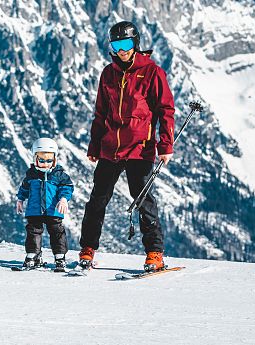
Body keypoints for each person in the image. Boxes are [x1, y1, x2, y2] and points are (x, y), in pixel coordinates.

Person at [78, 21, 176, 272]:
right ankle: (87, 248)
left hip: (140, 148)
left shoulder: (152, 72)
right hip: (110, 147)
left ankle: (154, 253)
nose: (121, 50)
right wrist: (94, 146)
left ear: (136, 44)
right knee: (97, 200)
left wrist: (165, 145)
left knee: (143, 201)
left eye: (126, 44)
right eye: (116, 45)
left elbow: (166, 110)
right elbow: (100, 113)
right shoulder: (108, 74)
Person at [15, 138, 74, 272]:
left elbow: (67, 187)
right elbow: (24, 188)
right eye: (41, 160)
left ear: (54, 159)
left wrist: (64, 199)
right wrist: (20, 199)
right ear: (35, 159)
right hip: (34, 210)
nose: (45, 163)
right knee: (33, 232)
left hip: (53, 210)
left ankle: (60, 257)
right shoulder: (31, 175)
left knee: (57, 232)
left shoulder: (59, 175)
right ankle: (33, 255)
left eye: (49, 160)